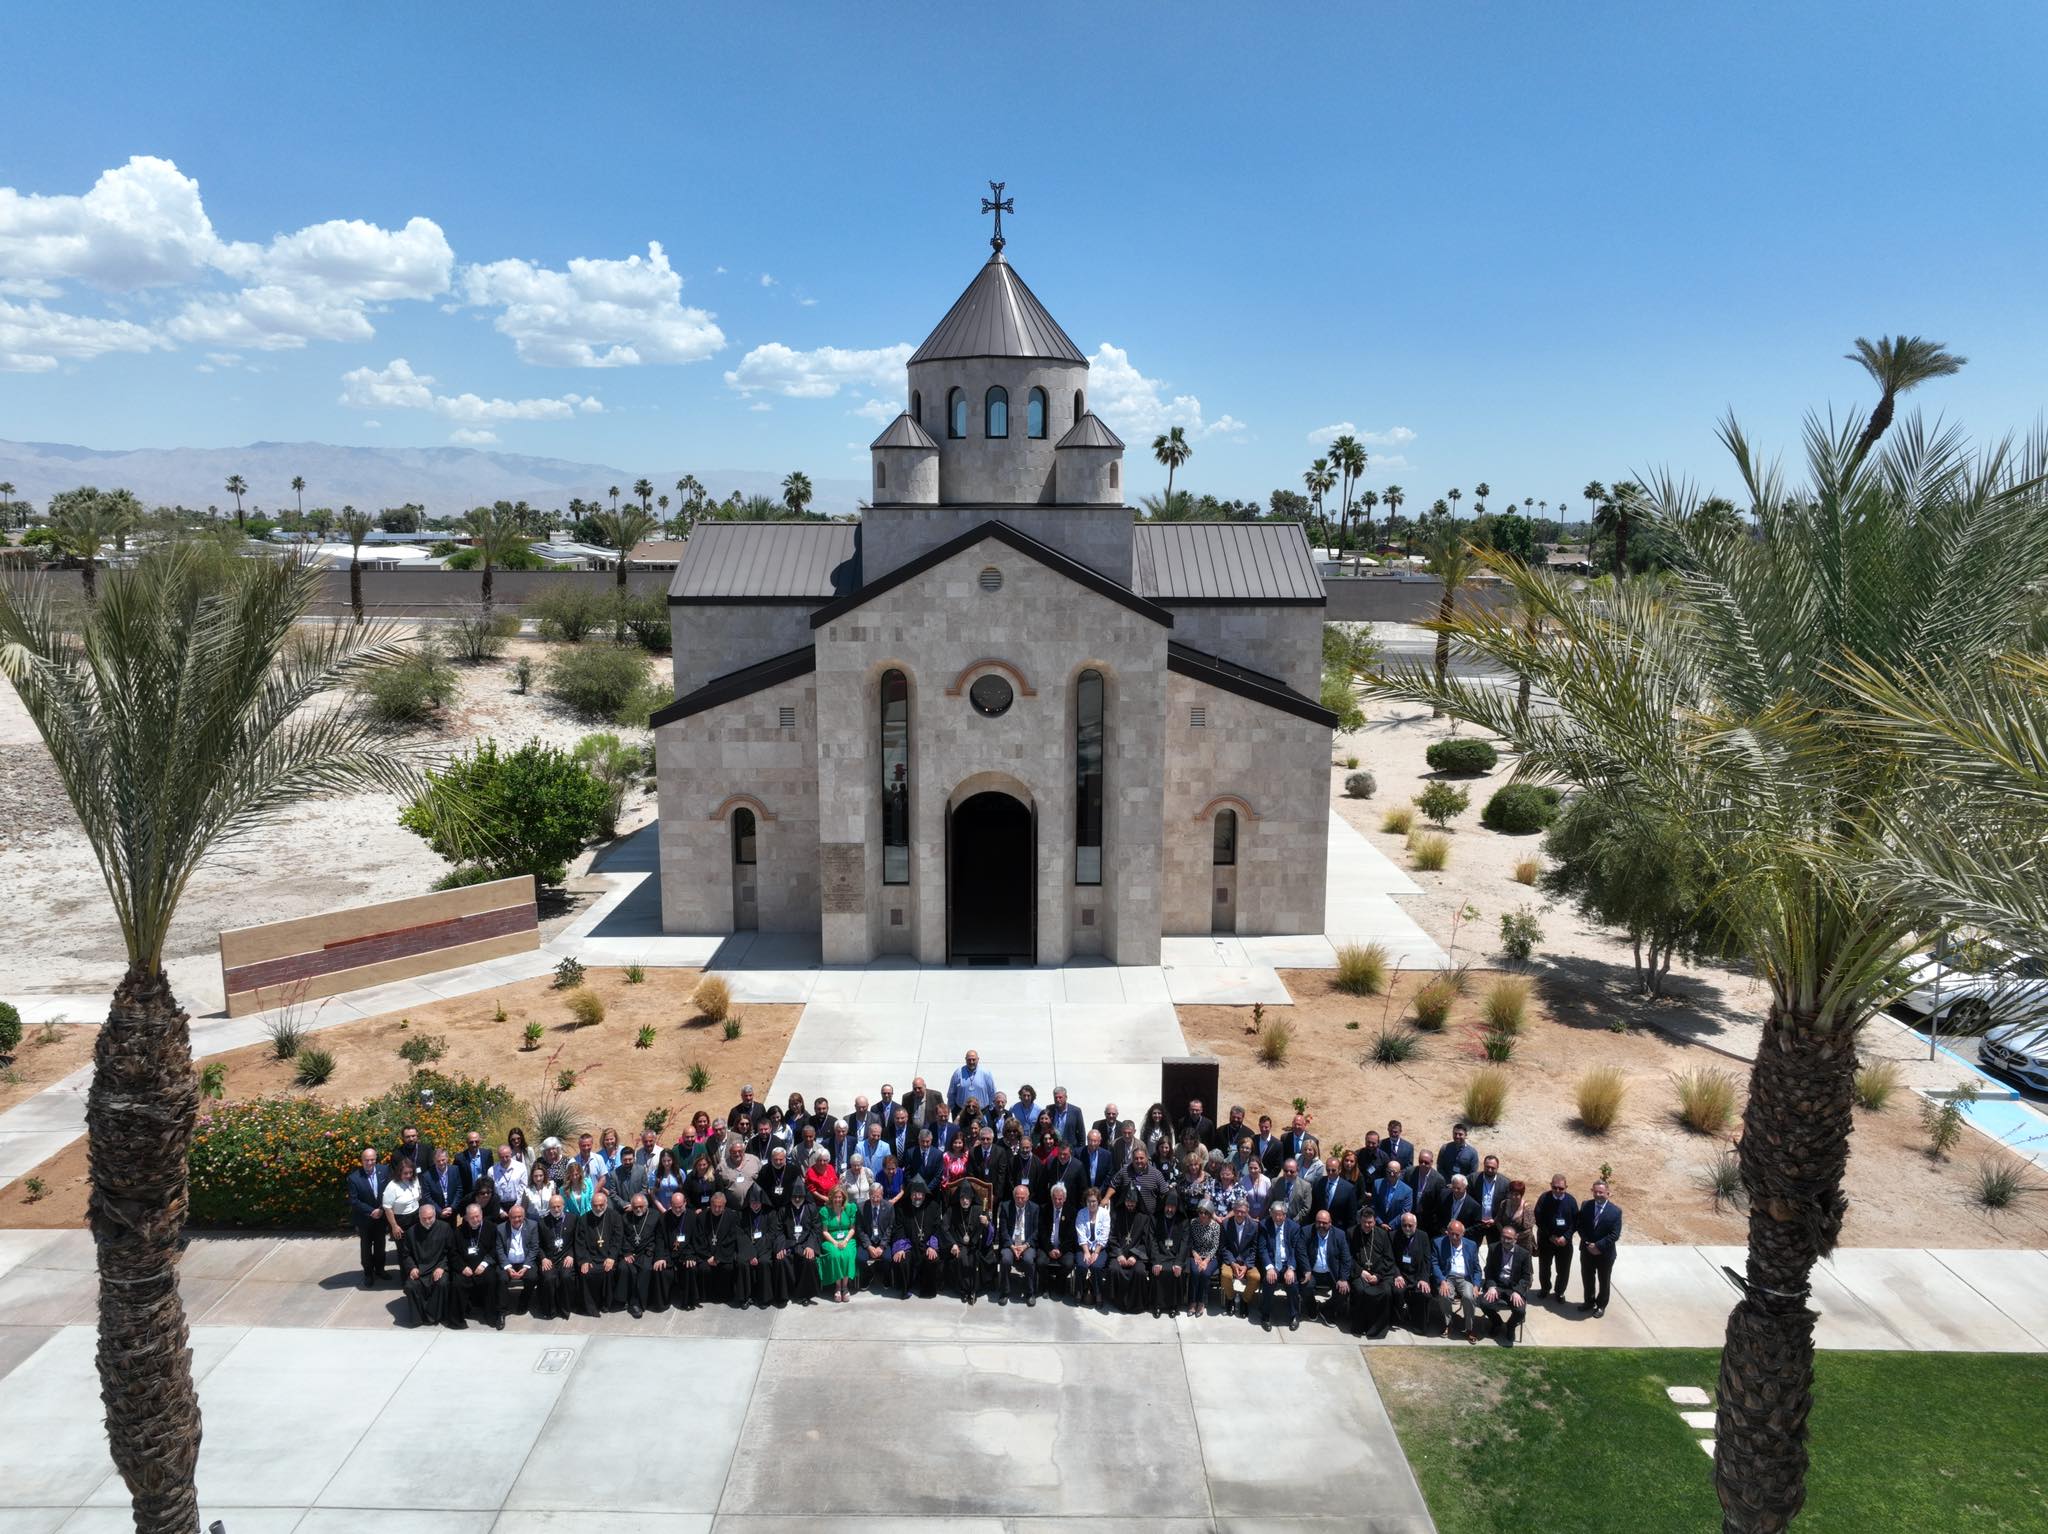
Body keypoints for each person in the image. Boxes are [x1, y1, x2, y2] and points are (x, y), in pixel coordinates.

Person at [1480, 1217, 1534, 1341]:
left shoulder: (1524, 1254)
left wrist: (1518, 1291)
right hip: (1497, 1286)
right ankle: (1497, 1322)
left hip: (1513, 1288)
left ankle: (1510, 1326)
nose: (1505, 1240)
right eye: (1503, 1237)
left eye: (1509, 1238)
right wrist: (1491, 1286)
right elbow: (1488, 1270)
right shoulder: (1494, 1248)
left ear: (1516, 1239)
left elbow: (1526, 1277)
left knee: (1520, 1311)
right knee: (1483, 1302)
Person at [401, 1202, 454, 1327]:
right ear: (419, 1217)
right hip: (419, 1268)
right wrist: (412, 1268)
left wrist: (442, 1267)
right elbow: (406, 1255)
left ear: (435, 1215)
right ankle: (418, 1318)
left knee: (442, 1283)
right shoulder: (411, 1232)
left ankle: (434, 1316)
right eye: (424, 1219)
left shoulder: (445, 1228)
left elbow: (452, 1252)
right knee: (410, 1286)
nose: (428, 1221)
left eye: (430, 1218)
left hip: (439, 1266)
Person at [1257, 1197, 1304, 1332]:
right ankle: (1265, 1315)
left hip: (1286, 1263)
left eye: (1281, 1215)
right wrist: (1269, 1267)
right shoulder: (1264, 1225)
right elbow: (1262, 1248)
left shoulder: (1294, 1227)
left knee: (1293, 1283)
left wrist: (1291, 1268)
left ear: (1285, 1215)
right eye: (1275, 1215)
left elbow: (1295, 1250)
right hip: (1272, 1263)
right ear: (1270, 1213)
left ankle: (1294, 1315)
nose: (1278, 1218)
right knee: (1269, 1281)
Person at [1577, 1179, 1623, 1316]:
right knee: (1587, 1278)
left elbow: (1614, 1235)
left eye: (1601, 1192)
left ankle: (1601, 1305)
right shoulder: (1586, 1205)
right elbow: (1580, 1226)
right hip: (1587, 1251)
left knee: (1604, 1281)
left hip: (1605, 1254)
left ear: (1608, 1193)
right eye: (1595, 1191)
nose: (1598, 1194)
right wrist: (1588, 1244)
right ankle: (1589, 1302)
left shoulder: (1615, 1212)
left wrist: (1598, 1246)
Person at [573, 1187, 622, 1315]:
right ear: (591, 1205)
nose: (599, 1208)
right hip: (591, 1258)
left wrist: (612, 1257)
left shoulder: (614, 1216)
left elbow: (617, 1239)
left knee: (609, 1271)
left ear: (606, 1203)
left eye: (601, 1205)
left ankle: (607, 1304)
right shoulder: (584, 1219)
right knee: (586, 1272)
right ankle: (591, 1306)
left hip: (608, 1257)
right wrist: (584, 1260)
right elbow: (580, 1242)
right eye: (595, 1205)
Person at [1350, 1208, 1398, 1338]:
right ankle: (1359, 1327)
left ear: (1374, 1221)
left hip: (1380, 1275)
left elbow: (1389, 1258)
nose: (1367, 1225)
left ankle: (1377, 1329)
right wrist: (1361, 1272)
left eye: (1370, 1222)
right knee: (1360, 1291)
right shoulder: (1351, 1233)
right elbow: (1347, 1258)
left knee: (1386, 1292)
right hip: (1359, 1273)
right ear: (1360, 1220)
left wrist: (1378, 1275)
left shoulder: (1382, 1234)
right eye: (1364, 1222)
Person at [1432, 1218, 1482, 1342]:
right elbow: (1434, 1264)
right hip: (1447, 1277)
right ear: (1447, 1232)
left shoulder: (1471, 1245)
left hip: (1465, 1278)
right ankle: (1448, 1324)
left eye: (1457, 1235)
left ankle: (1469, 1328)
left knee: (1469, 1296)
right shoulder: (1438, 1243)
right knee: (1444, 1294)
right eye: (1451, 1233)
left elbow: (1476, 1268)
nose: (1454, 1237)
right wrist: (1442, 1281)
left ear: (1463, 1234)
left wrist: (1476, 1285)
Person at [345, 1148, 389, 1288]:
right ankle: (368, 1274)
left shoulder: (385, 1170)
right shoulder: (354, 1178)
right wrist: (372, 1211)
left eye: (372, 1159)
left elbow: (389, 1191)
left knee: (380, 1245)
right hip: (365, 1219)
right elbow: (354, 1200)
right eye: (366, 1160)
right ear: (362, 1160)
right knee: (366, 1247)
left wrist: (381, 1209)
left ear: (376, 1159)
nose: (370, 1163)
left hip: (382, 1217)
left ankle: (380, 1270)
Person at [1302, 1208, 1353, 1327]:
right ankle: (1312, 1306)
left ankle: (1326, 1309)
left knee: (1344, 1291)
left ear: (1330, 1223)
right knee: (1305, 1286)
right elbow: (1301, 1252)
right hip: (1312, 1272)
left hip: (1331, 1272)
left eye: (1324, 1223)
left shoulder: (1340, 1235)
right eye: (1318, 1222)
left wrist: (1343, 1278)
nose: (1321, 1225)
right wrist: (1306, 1270)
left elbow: (1346, 1258)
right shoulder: (1306, 1231)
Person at [1108, 1185, 1153, 1314]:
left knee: (1139, 1272)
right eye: (1128, 1202)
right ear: (1124, 1201)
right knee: (1114, 1269)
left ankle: (1136, 1303)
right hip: (1119, 1254)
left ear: (1137, 1202)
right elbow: (1112, 1237)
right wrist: (1119, 1255)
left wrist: (1135, 1256)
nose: (1130, 1205)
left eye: (1133, 1202)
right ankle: (1117, 1301)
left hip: (1136, 1256)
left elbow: (1146, 1241)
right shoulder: (1117, 1215)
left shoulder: (1144, 1218)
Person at [735, 1185, 781, 1307]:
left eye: (757, 1202)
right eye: (752, 1202)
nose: (755, 1204)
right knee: (741, 1262)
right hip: (746, 1248)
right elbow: (740, 1235)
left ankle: (764, 1298)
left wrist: (756, 1253)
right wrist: (750, 1254)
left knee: (764, 1262)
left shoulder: (770, 1213)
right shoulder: (742, 1214)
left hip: (764, 1248)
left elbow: (771, 1234)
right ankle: (745, 1297)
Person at [944, 1181, 991, 1303]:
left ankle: (973, 1290)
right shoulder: (952, 1210)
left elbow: (990, 1232)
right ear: (958, 1198)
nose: (965, 1201)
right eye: (962, 1198)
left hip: (975, 1244)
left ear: (972, 1198)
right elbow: (943, 1228)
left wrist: (986, 1224)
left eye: (968, 1198)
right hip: (958, 1243)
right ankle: (964, 1291)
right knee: (962, 1259)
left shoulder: (980, 1209)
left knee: (974, 1260)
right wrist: (952, 1243)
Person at [994, 1182, 1039, 1305]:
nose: (1020, 1200)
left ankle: (1030, 1293)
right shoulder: (1005, 1206)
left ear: (1028, 1197)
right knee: (1006, 1260)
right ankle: (1005, 1292)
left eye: (1022, 1197)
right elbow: (1002, 1230)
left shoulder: (1034, 1208)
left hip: (1026, 1244)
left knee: (1029, 1260)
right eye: (1017, 1197)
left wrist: (1025, 1246)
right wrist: (1012, 1246)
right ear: (1014, 1197)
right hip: (1011, 1243)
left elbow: (1036, 1231)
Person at [1534, 1173, 1578, 1298]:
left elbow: (1576, 1221)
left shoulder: (1571, 1201)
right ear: (1551, 1186)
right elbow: (1539, 1219)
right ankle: (1545, 1288)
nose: (1558, 1190)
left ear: (1566, 1187)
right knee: (1544, 1267)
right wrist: (1550, 1236)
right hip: (1546, 1240)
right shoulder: (1544, 1198)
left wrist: (1566, 1237)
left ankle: (1560, 1292)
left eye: (1561, 1188)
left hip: (1564, 1242)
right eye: (1555, 1187)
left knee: (1563, 1270)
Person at [617, 1192, 661, 1318]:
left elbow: (659, 1237)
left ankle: (638, 1303)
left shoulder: (655, 1215)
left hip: (646, 1252)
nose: (638, 1209)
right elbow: (621, 1237)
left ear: (646, 1206)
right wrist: (626, 1252)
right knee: (623, 1268)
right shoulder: (625, 1217)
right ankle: (623, 1300)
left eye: (641, 1206)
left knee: (646, 1269)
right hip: (629, 1252)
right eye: (635, 1207)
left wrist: (652, 1251)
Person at [534, 1192, 575, 1320]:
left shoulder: (573, 1219)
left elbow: (577, 1241)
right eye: (553, 1207)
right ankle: (550, 1310)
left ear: (563, 1205)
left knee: (566, 1276)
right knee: (548, 1278)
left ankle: (565, 1309)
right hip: (549, 1259)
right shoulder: (542, 1222)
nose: (556, 1209)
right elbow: (537, 1244)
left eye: (558, 1206)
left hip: (565, 1258)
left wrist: (571, 1255)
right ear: (549, 1207)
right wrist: (543, 1258)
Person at [1150, 1191, 1190, 1317]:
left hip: (1176, 1257)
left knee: (1175, 1272)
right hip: (1160, 1256)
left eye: (1173, 1206)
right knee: (1158, 1271)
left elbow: (1185, 1244)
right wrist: (1156, 1261)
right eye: (1168, 1206)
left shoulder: (1183, 1221)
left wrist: (1178, 1263)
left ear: (1177, 1207)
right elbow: (1152, 1241)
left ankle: (1174, 1306)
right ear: (1164, 1205)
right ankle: (1157, 1305)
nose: (1170, 1209)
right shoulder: (1156, 1219)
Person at [658, 1191, 701, 1311]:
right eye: (674, 1206)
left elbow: (696, 1240)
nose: (677, 1209)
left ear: (685, 1203)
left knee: (690, 1266)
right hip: (668, 1255)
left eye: (680, 1206)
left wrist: (690, 1255)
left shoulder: (692, 1217)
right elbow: (660, 1239)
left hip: (685, 1254)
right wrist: (661, 1257)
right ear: (670, 1204)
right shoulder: (663, 1218)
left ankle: (687, 1301)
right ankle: (663, 1302)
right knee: (659, 1268)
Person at [494, 1201, 536, 1320]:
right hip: (508, 1262)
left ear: (524, 1216)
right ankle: (502, 1311)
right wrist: (507, 1267)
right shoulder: (501, 1228)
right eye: (513, 1217)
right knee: (501, 1278)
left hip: (525, 1262)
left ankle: (524, 1301)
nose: (517, 1219)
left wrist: (525, 1267)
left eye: (520, 1217)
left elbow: (534, 1248)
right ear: (509, 1217)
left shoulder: (532, 1226)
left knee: (532, 1277)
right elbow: (499, 1249)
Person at [1219, 1201, 1261, 1317]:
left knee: (1256, 1277)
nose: (1240, 1214)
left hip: (1247, 1261)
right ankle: (1231, 1298)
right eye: (1237, 1211)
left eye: (1243, 1211)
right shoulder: (1226, 1223)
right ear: (1233, 1210)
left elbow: (1254, 1248)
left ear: (1247, 1212)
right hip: (1230, 1260)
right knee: (1225, 1275)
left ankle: (1245, 1300)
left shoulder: (1254, 1226)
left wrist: (1246, 1265)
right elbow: (1224, 1247)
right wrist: (1232, 1263)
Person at [780, 1185, 821, 1306]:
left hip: (805, 1243)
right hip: (788, 1243)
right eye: (794, 1196)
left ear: (804, 1196)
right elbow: (778, 1230)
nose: (797, 1199)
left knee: (809, 1260)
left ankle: (804, 1294)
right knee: (781, 1259)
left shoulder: (811, 1208)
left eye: (800, 1196)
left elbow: (816, 1229)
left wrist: (811, 1246)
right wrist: (781, 1246)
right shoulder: (784, 1209)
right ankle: (785, 1294)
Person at [904, 1177, 944, 1298]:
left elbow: (938, 1228)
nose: (917, 1197)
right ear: (910, 1194)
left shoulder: (934, 1206)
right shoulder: (903, 1207)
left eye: (920, 1194)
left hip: (927, 1245)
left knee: (932, 1258)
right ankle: (907, 1287)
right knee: (902, 1258)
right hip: (909, 1244)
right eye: (914, 1194)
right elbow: (898, 1228)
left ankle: (927, 1290)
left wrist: (932, 1245)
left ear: (924, 1194)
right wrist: (901, 1247)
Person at [858, 1178, 900, 1295]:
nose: (875, 1199)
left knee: (887, 1258)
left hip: (882, 1241)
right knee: (860, 1259)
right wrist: (869, 1246)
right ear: (869, 1195)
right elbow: (860, 1230)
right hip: (869, 1241)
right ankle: (868, 1274)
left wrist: (882, 1246)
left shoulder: (889, 1207)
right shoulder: (861, 1207)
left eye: (878, 1196)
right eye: (873, 1196)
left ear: (882, 1195)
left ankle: (886, 1276)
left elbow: (890, 1228)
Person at [1391, 1211, 1431, 1331]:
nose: (1407, 1228)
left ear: (1416, 1225)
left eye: (1410, 1225)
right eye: (1404, 1225)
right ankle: (1397, 1319)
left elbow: (1426, 1260)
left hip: (1417, 1276)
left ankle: (1417, 1324)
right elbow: (1390, 1259)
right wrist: (1397, 1275)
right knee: (1396, 1291)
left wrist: (1424, 1279)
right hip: (1401, 1276)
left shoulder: (1423, 1236)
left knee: (1424, 1293)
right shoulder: (1393, 1236)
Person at [818, 1185, 858, 1302]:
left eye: (840, 1197)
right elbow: (825, 1231)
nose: (838, 1200)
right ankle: (837, 1287)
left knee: (847, 1255)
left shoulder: (850, 1208)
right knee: (835, 1255)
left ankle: (845, 1287)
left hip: (848, 1239)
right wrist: (835, 1243)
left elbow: (852, 1229)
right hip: (831, 1240)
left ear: (843, 1198)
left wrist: (845, 1241)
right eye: (835, 1197)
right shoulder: (825, 1211)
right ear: (831, 1198)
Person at [1077, 1186, 1114, 1309]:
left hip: (1100, 1248)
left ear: (1098, 1201)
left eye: (1094, 1201)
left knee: (1096, 1267)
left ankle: (1098, 1294)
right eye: (1089, 1201)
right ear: (1085, 1202)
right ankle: (1079, 1291)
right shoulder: (1081, 1213)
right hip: (1084, 1247)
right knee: (1082, 1265)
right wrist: (1087, 1252)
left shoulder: (1104, 1214)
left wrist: (1096, 1252)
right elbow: (1081, 1234)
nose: (1091, 1204)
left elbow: (1105, 1234)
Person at [1039, 1183, 1077, 1300]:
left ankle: (1060, 1283)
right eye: (1055, 1198)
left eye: (1060, 1199)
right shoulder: (1044, 1209)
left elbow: (1071, 1236)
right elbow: (1042, 1233)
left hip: (1063, 1248)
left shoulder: (1072, 1211)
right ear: (1051, 1198)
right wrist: (1049, 1249)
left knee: (1069, 1263)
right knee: (1040, 1262)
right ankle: (1045, 1285)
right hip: (1047, 1247)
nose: (1057, 1201)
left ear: (1064, 1198)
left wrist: (1061, 1250)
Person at [1186, 1200, 1221, 1317]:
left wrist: (1206, 1261)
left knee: (1205, 1273)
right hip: (1196, 1253)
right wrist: (1195, 1255)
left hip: (1210, 1256)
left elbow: (1215, 1246)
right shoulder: (1193, 1223)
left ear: (1210, 1214)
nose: (1202, 1215)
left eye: (1205, 1213)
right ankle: (1192, 1302)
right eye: (1200, 1212)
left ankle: (1201, 1302)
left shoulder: (1215, 1226)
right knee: (1195, 1272)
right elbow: (1190, 1241)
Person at [381, 1155, 423, 1246]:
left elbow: (418, 1196)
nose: (408, 1175)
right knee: (404, 1248)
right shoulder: (392, 1186)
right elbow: (388, 1208)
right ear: (399, 1172)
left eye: (411, 1172)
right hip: (401, 1220)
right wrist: (394, 1226)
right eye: (405, 1173)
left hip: (415, 1216)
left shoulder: (415, 1179)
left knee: (416, 1244)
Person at [947, 1049, 997, 1114]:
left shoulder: (986, 1073)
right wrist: (953, 1109)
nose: (971, 1062)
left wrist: (990, 1110)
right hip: (961, 1112)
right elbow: (951, 1093)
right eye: (969, 1059)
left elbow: (992, 1093)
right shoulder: (958, 1073)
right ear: (965, 1059)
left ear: (978, 1059)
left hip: (982, 1112)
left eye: (974, 1059)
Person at [420, 1148, 460, 1228]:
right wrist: (440, 1211)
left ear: (447, 1158)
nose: (441, 1163)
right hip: (437, 1214)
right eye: (438, 1161)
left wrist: (452, 1207)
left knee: (452, 1235)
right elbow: (427, 1197)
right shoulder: (427, 1176)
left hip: (451, 1212)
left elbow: (459, 1189)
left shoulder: (455, 1170)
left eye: (443, 1160)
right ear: (434, 1161)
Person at [1372, 1160, 1414, 1228]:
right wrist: (1380, 1223)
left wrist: (1391, 1225)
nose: (1391, 1174)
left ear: (1400, 1173)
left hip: (1395, 1229)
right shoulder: (1377, 1184)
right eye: (1389, 1172)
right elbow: (1373, 1206)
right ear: (1386, 1171)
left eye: (1394, 1172)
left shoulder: (1407, 1191)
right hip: (1378, 1226)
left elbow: (1405, 1212)